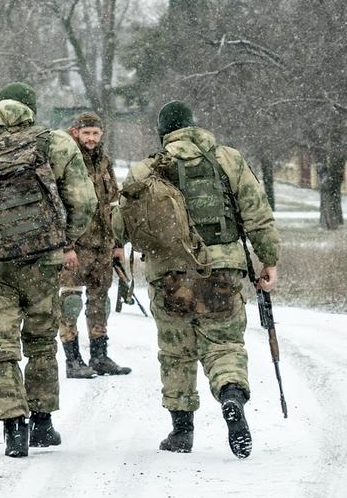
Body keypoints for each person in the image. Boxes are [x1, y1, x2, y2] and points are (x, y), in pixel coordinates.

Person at [0, 82, 95, 458]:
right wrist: (61, 237)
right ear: (32, 109)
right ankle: (42, 424)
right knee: (41, 341)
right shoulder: (55, 143)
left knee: (2, 347)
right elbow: (85, 201)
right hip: (43, 260)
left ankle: (12, 427)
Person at [120, 100, 280, 459]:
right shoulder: (228, 160)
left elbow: (121, 225)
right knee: (224, 344)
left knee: (176, 351)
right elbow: (257, 213)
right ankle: (231, 395)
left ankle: (181, 432)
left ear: (162, 133)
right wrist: (268, 259)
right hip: (223, 269)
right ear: (194, 125)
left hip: (169, 275)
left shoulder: (147, 170)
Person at [59, 111, 131, 378]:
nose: (91, 138)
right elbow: (58, 207)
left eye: (95, 133)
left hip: (103, 245)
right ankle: (73, 360)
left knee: (100, 302)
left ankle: (99, 357)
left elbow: (114, 205)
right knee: (70, 302)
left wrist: (118, 243)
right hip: (75, 247)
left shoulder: (104, 161)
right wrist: (66, 246)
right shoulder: (66, 159)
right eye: (86, 132)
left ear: (101, 134)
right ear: (76, 132)